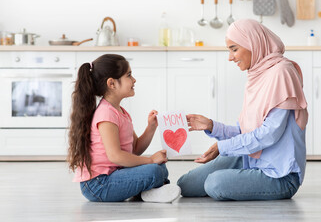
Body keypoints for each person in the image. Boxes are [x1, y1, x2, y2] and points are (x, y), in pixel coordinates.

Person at [177, 19, 308, 201]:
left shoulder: (282, 72)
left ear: (253, 44)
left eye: (234, 49)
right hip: (250, 159)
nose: (230, 57)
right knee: (185, 184)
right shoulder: (256, 74)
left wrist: (222, 147)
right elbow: (244, 132)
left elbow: (269, 134)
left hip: (279, 175)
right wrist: (211, 126)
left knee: (214, 183)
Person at [67, 54, 180, 203]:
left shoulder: (120, 112)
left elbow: (134, 149)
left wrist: (151, 127)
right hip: (99, 185)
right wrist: (150, 160)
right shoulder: (106, 114)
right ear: (112, 83)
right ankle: (149, 192)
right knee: (154, 170)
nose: (134, 80)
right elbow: (115, 156)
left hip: (115, 174)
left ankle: (148, 192)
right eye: (129, 75)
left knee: (160, 168)